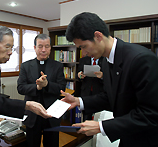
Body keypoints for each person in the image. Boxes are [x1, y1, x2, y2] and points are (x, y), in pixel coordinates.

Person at [61, 12, 158, 147]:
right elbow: (109, 97)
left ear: (98, 36)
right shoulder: (106, 61)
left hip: (147, 140)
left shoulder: (141, 59)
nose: (83, 53)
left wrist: (101, 127)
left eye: (83, 46)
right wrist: (79, 101)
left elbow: (151, 114)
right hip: (127, 137)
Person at [17, 34, 66, 147]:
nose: (43, 50)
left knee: (52, 144)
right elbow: (20, 88)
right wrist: (37, 87)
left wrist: (47, 84)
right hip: (32, 115)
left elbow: (61, 88)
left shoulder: (57, 66)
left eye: (47, 46)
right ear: (34, 47)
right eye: (40, 46)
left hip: (52, 115)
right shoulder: (26, 66)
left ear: (50, 48)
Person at [76, 56, 104, 121]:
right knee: (86, 116)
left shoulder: (104, 60)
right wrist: (79, 75)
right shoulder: (83, 60)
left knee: (98, 116)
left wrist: (102, 76)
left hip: (99, 92)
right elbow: (77, 76)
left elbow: (110, 77)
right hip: (86, 92)